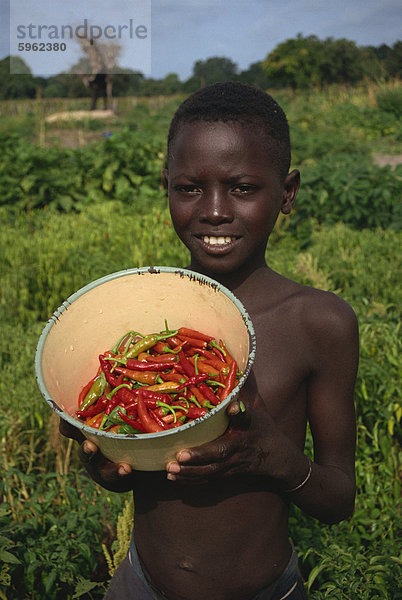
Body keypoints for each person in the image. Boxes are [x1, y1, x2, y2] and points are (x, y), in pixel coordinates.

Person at [60, 82, 359, 600]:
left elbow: (338, 499)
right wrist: (109, 464)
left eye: (243, 187)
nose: (215, 210)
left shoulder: (318, 323)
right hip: (140, 585)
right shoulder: (147, 317)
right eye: (190, 187)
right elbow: (137, 476)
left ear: (286, 192)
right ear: (166, 188)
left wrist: (274, 457)